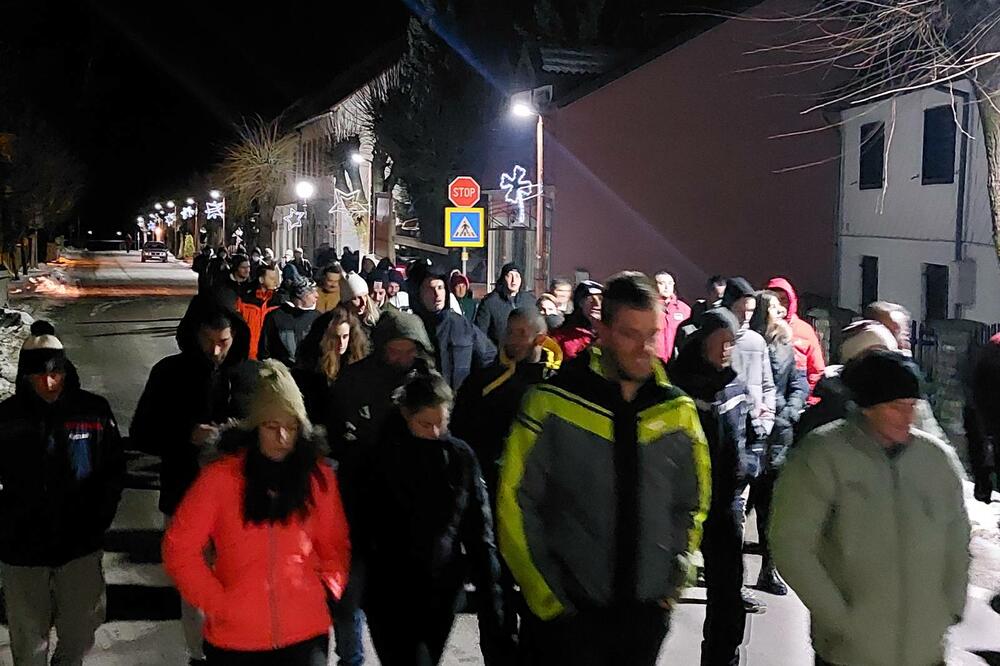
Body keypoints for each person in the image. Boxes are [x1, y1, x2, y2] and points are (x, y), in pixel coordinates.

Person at [499, 272, 711, 666]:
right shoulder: (552, 402)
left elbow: (692, 503)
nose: (646, 347)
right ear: (603, 329)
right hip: (566, 621)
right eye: (631, 334)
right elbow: (515, 499)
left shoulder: (676, 411)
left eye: (654, 333)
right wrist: (547, 598)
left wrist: (673, 582)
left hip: (643, 618)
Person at [771, 350, 970, 666]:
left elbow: (958, 537)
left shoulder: (935, 460)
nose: (908, 416)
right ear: (867, 408)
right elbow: (791, 545)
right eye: (896, 407)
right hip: (852, 652)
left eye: (912, 406)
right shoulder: (822, 455)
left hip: (925, 650)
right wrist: (839, 617)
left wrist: (951, 604)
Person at [163, 360, 350, 665]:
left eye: (290, 427)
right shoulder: (220, 479)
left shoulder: (318, 479)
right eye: (271, 426)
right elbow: (179, 549)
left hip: (305, 633)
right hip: (236, 640)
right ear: (254, 428)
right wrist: (218, 604)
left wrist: (327, 590)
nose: (282, 437)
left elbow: (334, 545)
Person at [359, 373, 508, 665]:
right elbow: (362, 523)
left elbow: (479, 532)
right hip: (389, 590)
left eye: (442, 422)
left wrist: (492, 599)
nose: (436, 432)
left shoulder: (459, 458)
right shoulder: (377, 457)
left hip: (440, 589)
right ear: (405, 415)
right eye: (425, 424)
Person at [0, 321, 125, 666]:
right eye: (40, 376)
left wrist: (99, 518)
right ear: (26, 376)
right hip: (22, 549)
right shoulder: (6, 419)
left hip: (79, 546)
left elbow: (113, 469)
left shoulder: (92, 412)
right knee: (29, 641)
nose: (49, 383)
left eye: (56, 373)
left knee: (82, 628)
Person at [133, 303, 251, 664]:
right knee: (196, 590)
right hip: (186, 497)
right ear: (194, 337)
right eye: (209, 341)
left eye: (224, 341)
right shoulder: (169, 373)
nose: (217, 350)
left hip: (242, 502)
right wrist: (187, 434)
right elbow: (141, 433)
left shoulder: (248, 375)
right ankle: (200, 656)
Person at [324, 310, 436, 666]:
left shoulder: (427, 385)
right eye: (395, 350)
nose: (402, 359)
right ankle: (351, 657)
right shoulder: (356, 380)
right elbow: (335, 432)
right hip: (358, 503)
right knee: (348, 595)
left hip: (407, 511)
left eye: (409, 351)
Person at [451, 308, 562, 650]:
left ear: (540, 339)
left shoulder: (558, 385)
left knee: (537, 602)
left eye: (521, 332)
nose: (511, 339)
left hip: (542, 512)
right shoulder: (482, 383)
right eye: (509, 331)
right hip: (491, 506)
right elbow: (460, 438)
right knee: (493, 596)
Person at [669, 309, 752, 665]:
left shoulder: (734, 383)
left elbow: (747, 433)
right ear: (701, 342)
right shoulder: (679, 386)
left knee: (728, 595)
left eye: (730, 344)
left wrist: (750, 464)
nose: (724, 351)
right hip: (683, 502)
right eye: (718, 342)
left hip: (726, 503)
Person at [746, 290, 808, 596]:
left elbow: (799, 381)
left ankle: (768, 571)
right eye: (773, 307)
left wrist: (791, 409)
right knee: (741, 507)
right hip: (751, 434)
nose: (781, 311)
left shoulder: (785, 344)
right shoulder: (746, 343)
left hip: (779, 434)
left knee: (772, 508)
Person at [414, 270, 497, 390]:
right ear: (419, 293)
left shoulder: (461, 324)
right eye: (430, 289)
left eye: (440, 288)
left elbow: (488, 356)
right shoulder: (413, 326)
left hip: (460, 402)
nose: (437, 294)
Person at [293, 305, 369, 420]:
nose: (341, 343)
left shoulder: (358, 361)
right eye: (336, 337)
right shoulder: (310, 367)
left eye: (345, 336)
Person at [765, 277, 826, 398]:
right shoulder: (759, 330)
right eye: (775, 301)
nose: (780, 306)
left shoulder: (804, 330)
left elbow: (816, 370)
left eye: (783, 300)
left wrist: (810, 399)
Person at [259, 278, 321, 367]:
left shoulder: (318, 318)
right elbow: (265, 350)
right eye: (312, 292)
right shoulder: (275, 316)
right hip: (282, 374)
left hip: (309, 375)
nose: (317, 295)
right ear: (299, 295)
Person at [475, 262, 535, 345]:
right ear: (503, 278)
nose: (514, 280)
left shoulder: (529, 300)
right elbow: (480, 334)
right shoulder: (490, 302)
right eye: (509, 276)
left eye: (517, 276)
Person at [236, 264, 282, 362]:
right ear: (261, 280)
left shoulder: (279, 302)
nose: (275, 282)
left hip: (271, 357)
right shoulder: (245, 300)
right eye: (271, 278)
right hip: (247, 356)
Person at [550, 280, 603, 360]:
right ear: (580, 303)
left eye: (601, 299)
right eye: (591, 299)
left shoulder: (611, 332)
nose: (597, 304)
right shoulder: (563, 336)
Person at [654, 271, 692, 363]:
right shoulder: (647, 308)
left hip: (678, 362)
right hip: (654, 362)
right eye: (662, 283)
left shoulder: (684, 309)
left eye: (670, 283)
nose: (667, 287)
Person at [341, 271, 381, 337]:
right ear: (346, 301)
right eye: (356, 298)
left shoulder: (379, 322)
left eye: (365, 296)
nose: (364, 303)